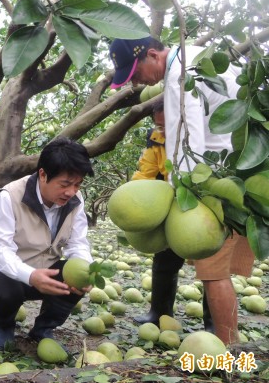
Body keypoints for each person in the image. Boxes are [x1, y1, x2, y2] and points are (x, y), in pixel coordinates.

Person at [108, 36, 254, 344]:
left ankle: (228, 346)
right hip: (240, 168)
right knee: (212, 267)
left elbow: (187, 144)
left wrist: (180, 194)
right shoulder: (201, 55)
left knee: (213, 272)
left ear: (152, 55)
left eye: (135, 72)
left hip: (217, 179)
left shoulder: (178, 79)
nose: (136, 81)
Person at [0, 137, 94, 351]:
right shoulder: (10, 196)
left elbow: (77, 244)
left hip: (45, 271)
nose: (71, 191)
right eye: (65, 184)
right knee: (6, 290)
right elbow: (1, 251)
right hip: (2, 271)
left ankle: (43, 328)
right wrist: (30, 275)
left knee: (75, 279)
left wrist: (85, 268)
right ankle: (4, 326)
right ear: (43, 174)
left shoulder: (75, 201)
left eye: (77, 184)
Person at [130, 98, 213, 331]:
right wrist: (134, 199)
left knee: (210, 267)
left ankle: (213, 323)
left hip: (202, 202)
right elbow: (146, 171)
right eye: (159, 125)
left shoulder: (198, 134)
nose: (163, 130)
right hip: (171, 199)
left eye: (167, 124)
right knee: (164, 260)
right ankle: (159, 312)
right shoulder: (156, 139)